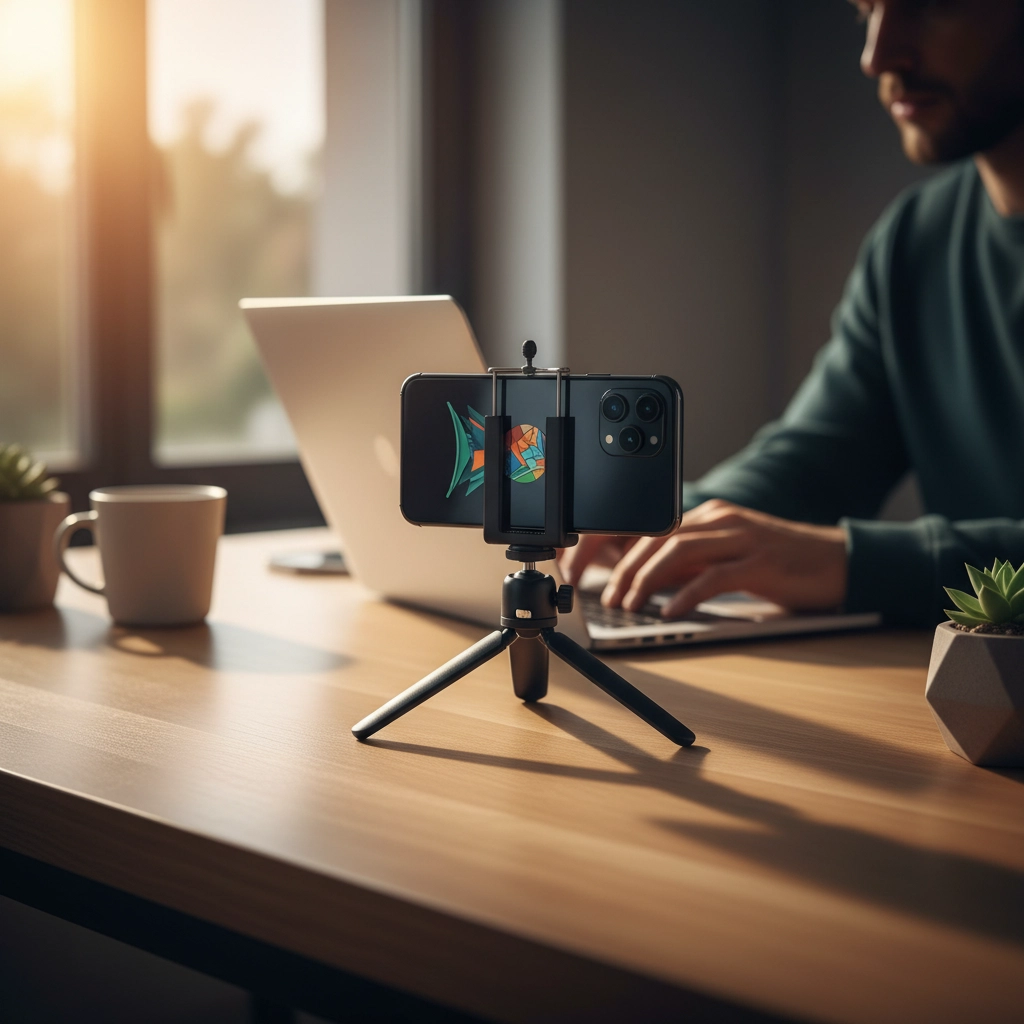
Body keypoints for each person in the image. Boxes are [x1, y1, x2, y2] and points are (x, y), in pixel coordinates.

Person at [560, 0, 1024, 628]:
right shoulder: (917, 239)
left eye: (928, 7)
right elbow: (817, 461)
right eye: (866, 13)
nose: (877, 56)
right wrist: (664, 516)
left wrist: (854, 562)